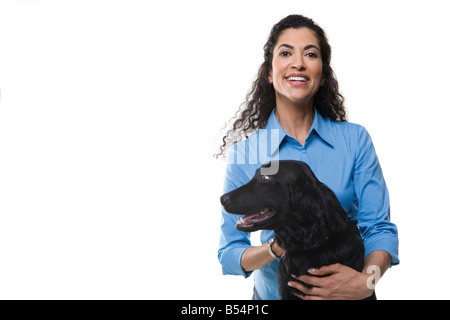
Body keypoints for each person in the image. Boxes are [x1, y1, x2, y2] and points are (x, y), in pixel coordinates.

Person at [217, 14, 399, 300]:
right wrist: (276, 248)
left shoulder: (354, 140)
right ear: (269, 71)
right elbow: (229, 252)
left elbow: (378, 228)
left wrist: (367, 282)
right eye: (286, 52)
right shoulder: (248, 152)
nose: (298, 63)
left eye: (310, 54)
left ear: (323, 73)